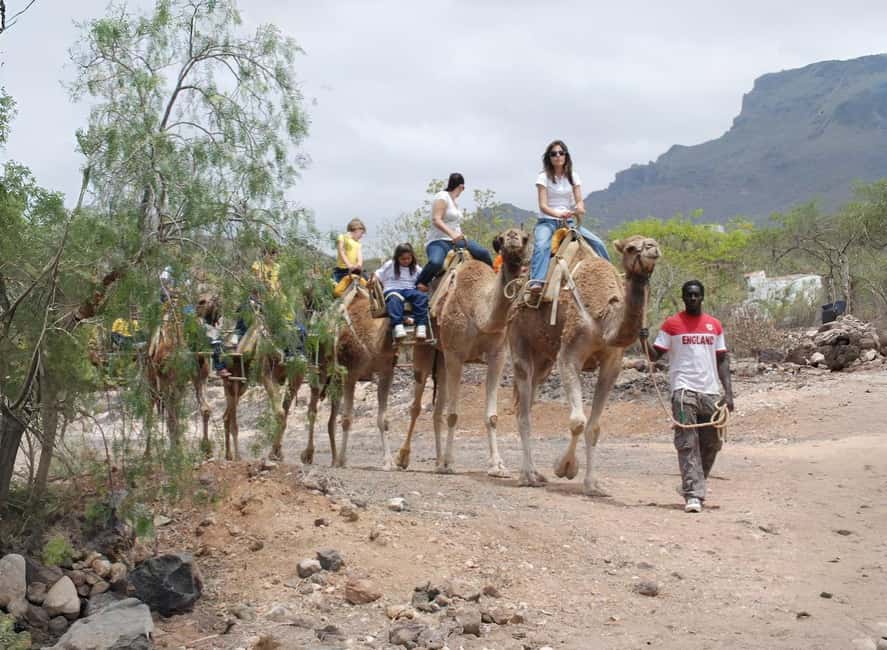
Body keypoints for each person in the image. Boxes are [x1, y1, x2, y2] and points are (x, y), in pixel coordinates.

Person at [642, 280, 735, 513]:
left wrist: (729, 393)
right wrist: (642, 338)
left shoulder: (714, 325)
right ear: (683, 298)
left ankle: (693, 483)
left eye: (696, 295)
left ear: (702, 297)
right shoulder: (671, 325)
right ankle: (694, 494)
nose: (693, 299)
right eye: (689, 295)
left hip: (711, 392)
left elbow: (722, 359)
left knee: (712, 443)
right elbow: (655, 356)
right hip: (683, 391)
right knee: (687, 442)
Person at [528, 140, 610, 294]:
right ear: (549, 158)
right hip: (548, 221)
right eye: (554, 154)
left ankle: (611, 276)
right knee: (541, 245)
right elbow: (543, 205)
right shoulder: (543, 177)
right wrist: (558, 214)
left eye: (561, 152)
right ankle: (536, 282)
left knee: (597, 243)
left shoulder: (573, 176)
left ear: (566, 155)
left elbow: (579, 202)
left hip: (569, 222)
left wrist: (579, 209)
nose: (558, 156)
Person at [415, 173, 493, 291]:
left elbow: (455, 224)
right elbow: (436, 219)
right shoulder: (442, 196)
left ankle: (493, 278)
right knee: (436, 262)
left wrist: (459, 235)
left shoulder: (454, 202)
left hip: (457, 241)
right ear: (462, 187)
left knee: (483, 253)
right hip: (438, 241)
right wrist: (452, 234)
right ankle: (422, 282)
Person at [374, 243, 428, 340]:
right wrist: (373, 280)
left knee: (421, 297)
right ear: (397, 258)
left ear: (412, 257)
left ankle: (421, 325)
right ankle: (398, 326)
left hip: (409, 290)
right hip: (393, 289)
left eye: (409, 258)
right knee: (395, 298)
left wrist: (424, 285)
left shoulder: (415, 267)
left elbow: (424, 278)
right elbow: (378, 274)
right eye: (403, 259)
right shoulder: (391, 264)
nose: (406, 261)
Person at [333, 218, 366, 283]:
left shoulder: (358, 243)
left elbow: (360, 256)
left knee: (368, 284)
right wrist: (349, 265)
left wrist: (359, 265)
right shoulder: (342, 237)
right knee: (336, 289)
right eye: (361, 233)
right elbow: (341, 251)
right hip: (342, 270)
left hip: (355, 270)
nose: (362, 236)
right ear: (356, 229)